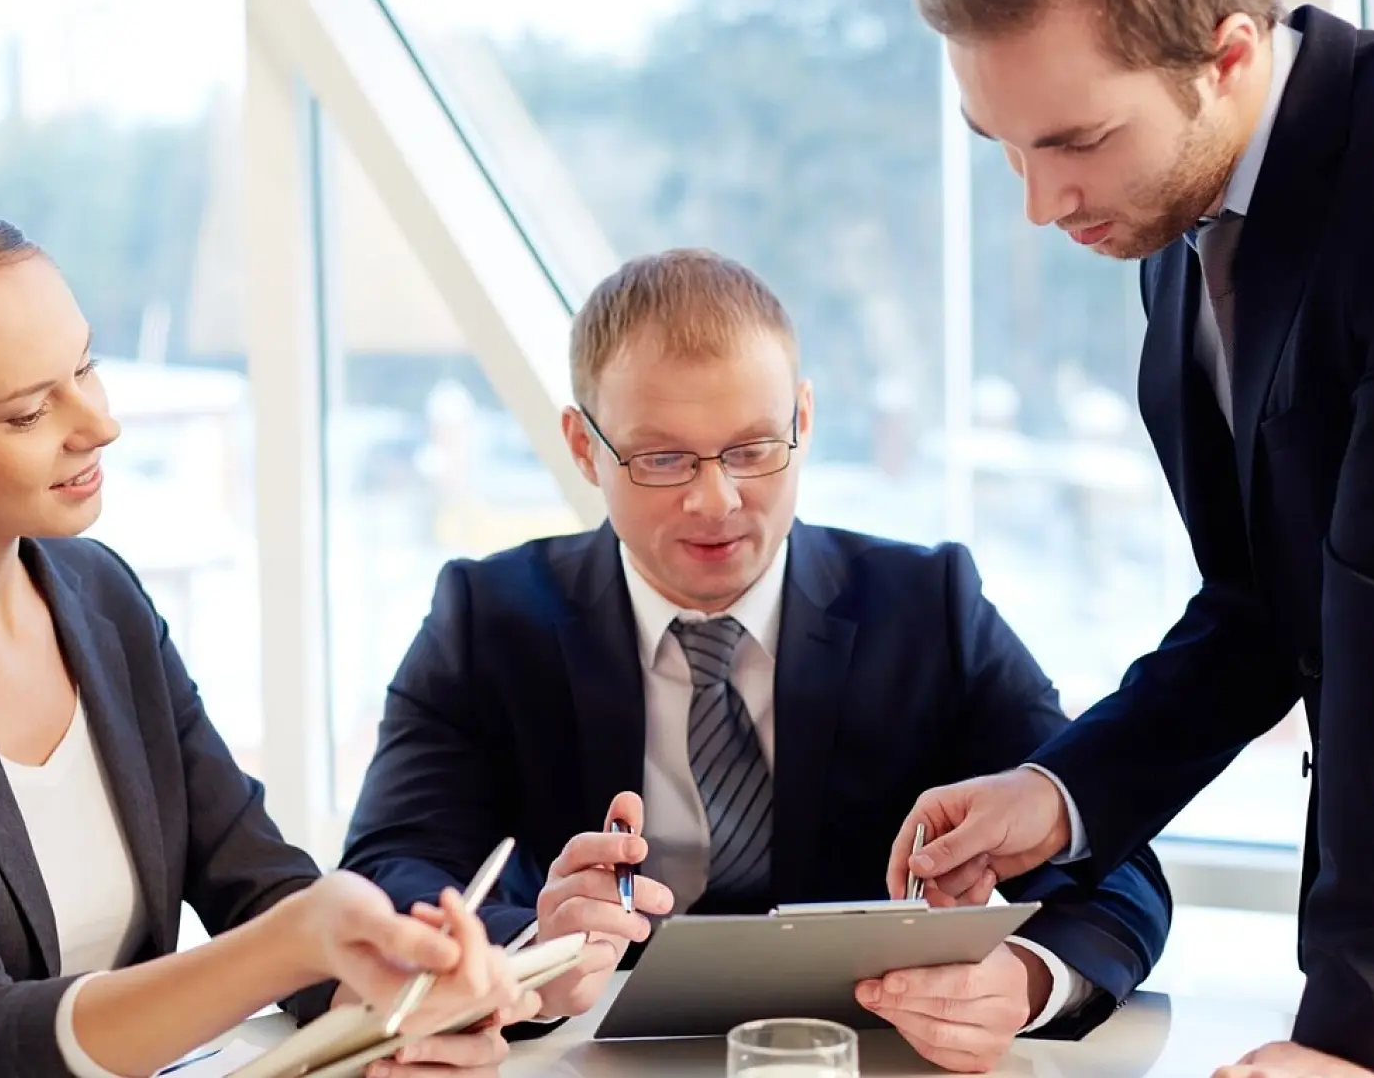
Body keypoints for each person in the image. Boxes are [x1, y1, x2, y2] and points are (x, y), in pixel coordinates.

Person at [890, 1, 1374, 1077]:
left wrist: (1363, 1042)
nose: (1041, 204)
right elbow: (1265, 603)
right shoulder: (1179, 220)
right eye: (1005, 150)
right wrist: (1063, 794)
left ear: (1225, 54)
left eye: (1076, 141)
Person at [0, 199, 536, 1078]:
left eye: (84, 366)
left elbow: (259, 886)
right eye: (26, 413)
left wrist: (430, 989)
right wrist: (295, 945)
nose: (98, 425)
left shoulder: (103, 598)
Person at [338, 248, 1172, 1074]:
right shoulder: (488, 619)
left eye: (752, 449)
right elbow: (385, 877)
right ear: (583, 447)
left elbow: (1114, 863)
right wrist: (528, 954)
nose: (717, 500)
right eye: (662, 458)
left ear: (803, 422)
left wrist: (1024, 981)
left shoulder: (927, 609)